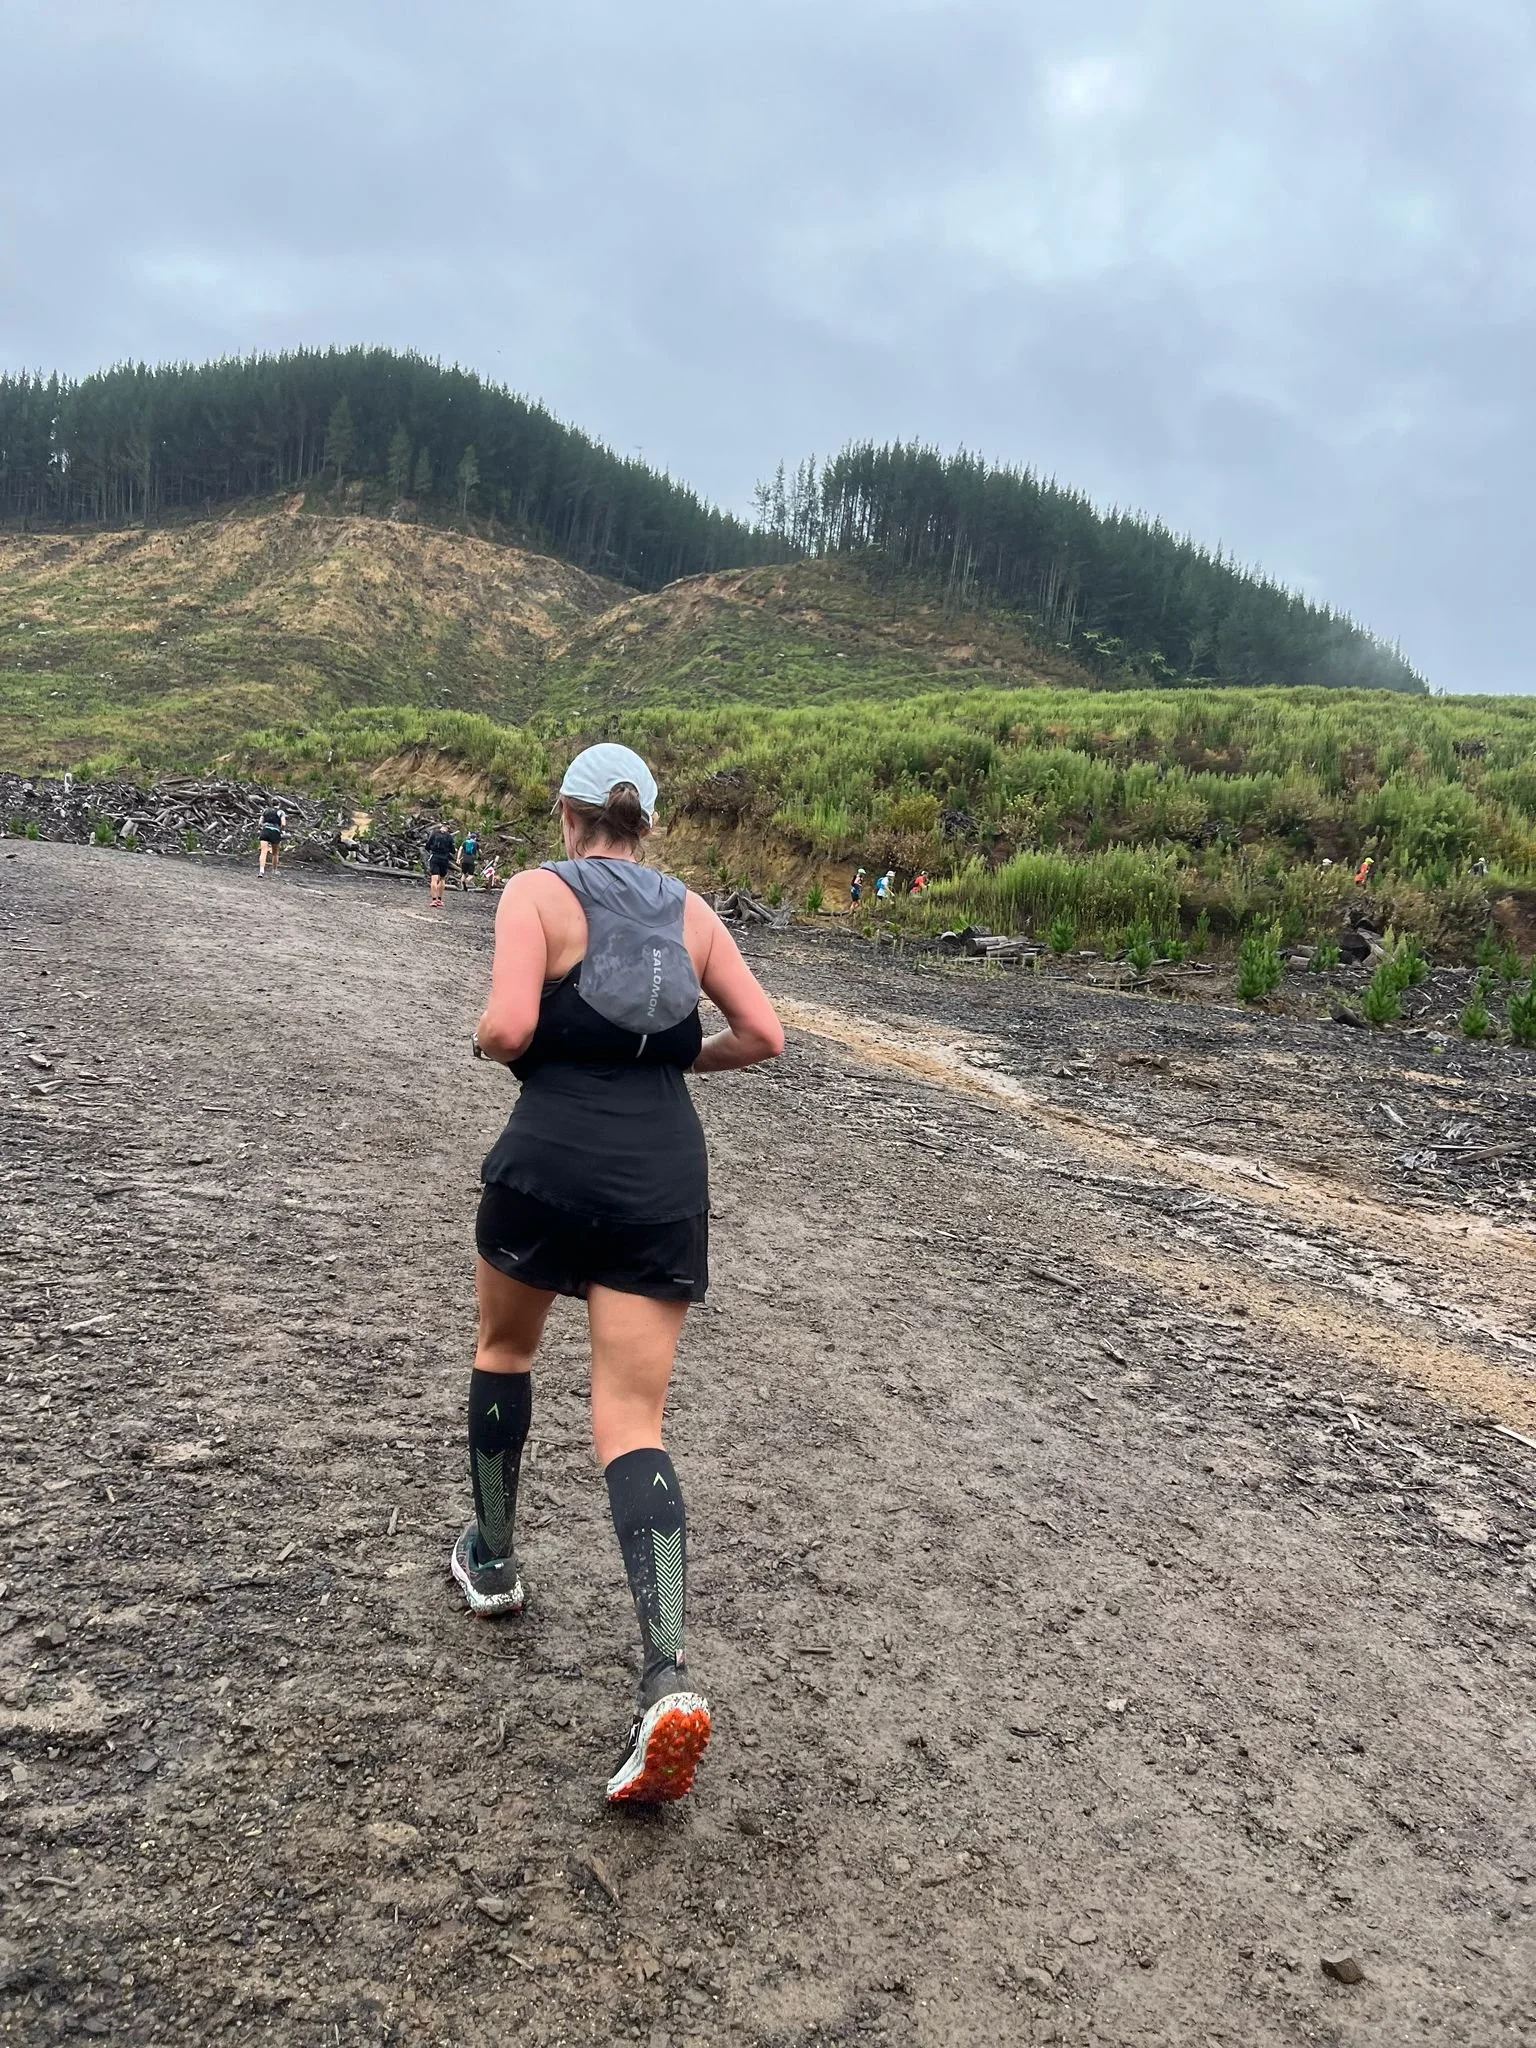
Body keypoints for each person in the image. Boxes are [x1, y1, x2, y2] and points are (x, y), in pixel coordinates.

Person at [461, 742, 784, 1805]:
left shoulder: (535, 892)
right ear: (647, 821)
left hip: (547, 1159)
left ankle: (495, 1562)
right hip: (660, 1174)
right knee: (632, 1420)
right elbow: (764, 1034)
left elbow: (509, 1024)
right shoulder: (691, 912)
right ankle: (665, 1675)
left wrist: (495, 1041)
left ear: (568, 813)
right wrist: (668, 1060)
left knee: (506, 1347)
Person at [425, 821, 457, 906]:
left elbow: (427, 846)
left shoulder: (434, 834)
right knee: (442, 879)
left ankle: (434, 899)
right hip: (444, 859)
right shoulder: (449, 837)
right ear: (448, 828)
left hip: (435, 857)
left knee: (434, 879)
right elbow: (453, 850)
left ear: (441, 826)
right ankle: (439, 899)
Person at [258, 801, 285, 875]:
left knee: (263, 851)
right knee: (275, 853)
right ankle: (274, 870)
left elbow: (260, 822)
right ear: (279, 804)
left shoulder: (266, 811)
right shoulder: (280, 812)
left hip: (265, 831)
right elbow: (283, 823)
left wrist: (263, 827)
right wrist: (280, 829)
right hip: (275, 832)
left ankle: (261, 870)